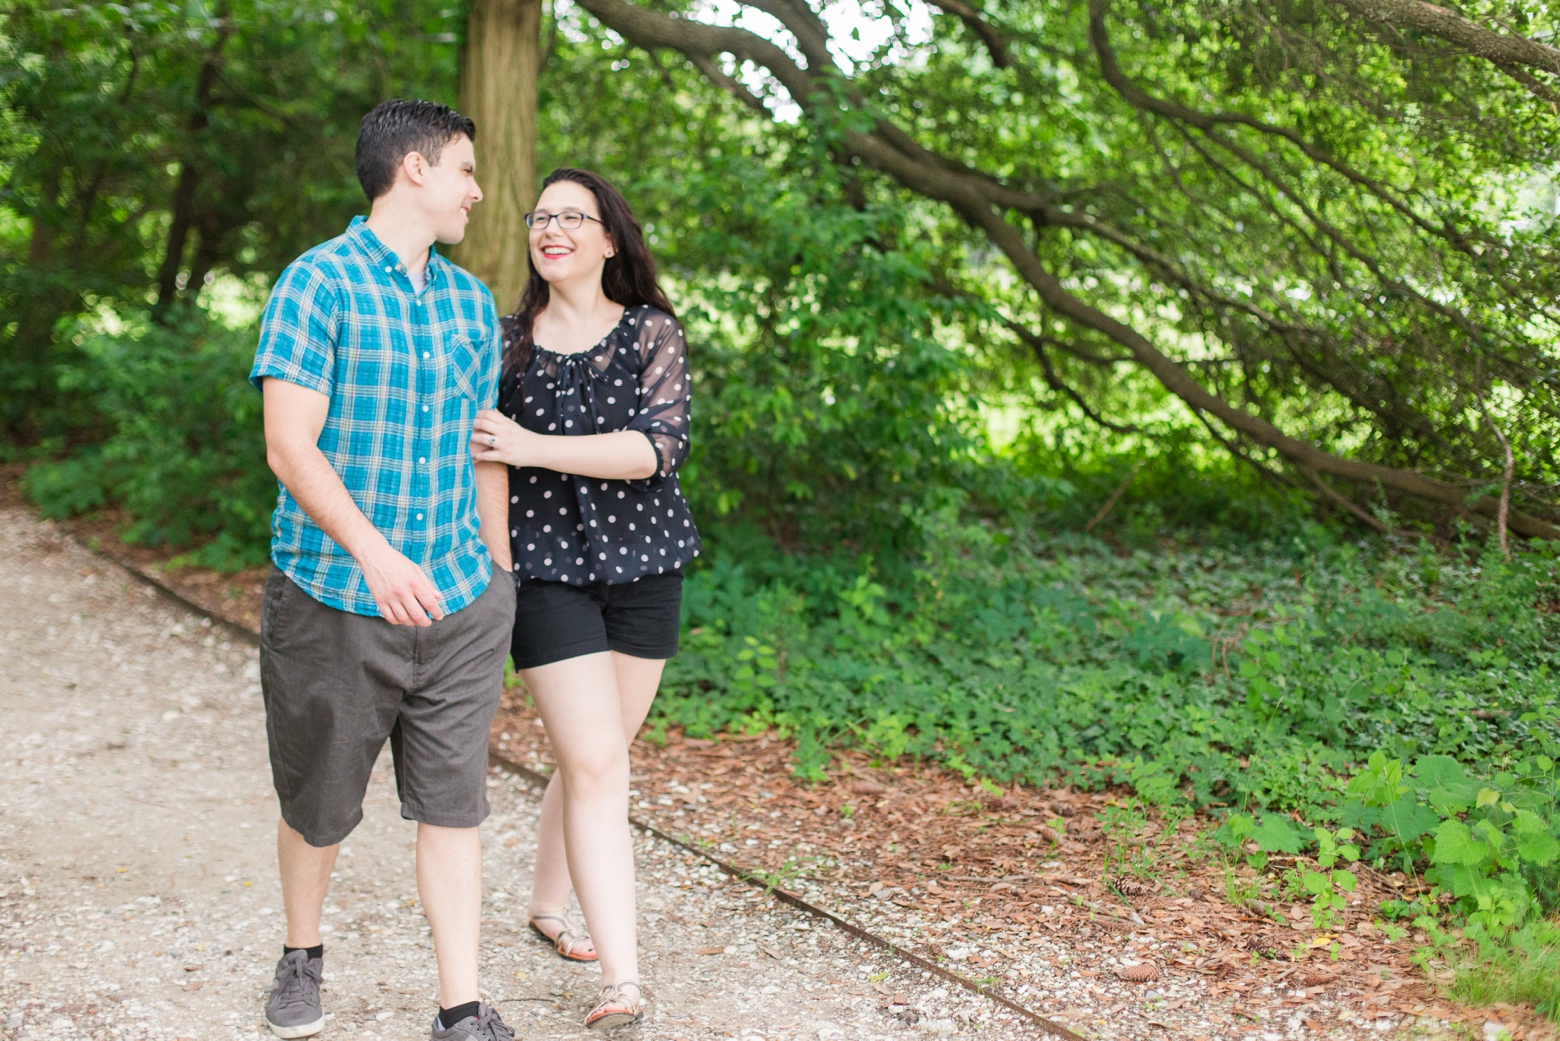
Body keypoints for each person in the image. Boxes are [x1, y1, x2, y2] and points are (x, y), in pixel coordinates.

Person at [250, 99, 519, 1041]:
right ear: (414, 169)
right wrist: (375, 553)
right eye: (465, 171)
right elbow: (291, 446)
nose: (478, 191)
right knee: (320, 803)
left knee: (455, 807)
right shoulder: (315, 284)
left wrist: (498, 572)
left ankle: (460, 1006)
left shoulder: (469, 302)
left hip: (457, 599)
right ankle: (301, 953)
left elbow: (484, 446)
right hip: (332, 597)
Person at [469, 167, 701, 1030]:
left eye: (576, 216)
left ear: (610, 239)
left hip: (646, 572)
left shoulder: (651, 332)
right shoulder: (501, 341)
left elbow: (656, 451)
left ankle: (546, 904)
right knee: (602, 765)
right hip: (546, 576)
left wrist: (535, 442)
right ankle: (624, 979)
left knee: (592, 756)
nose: (553, 227)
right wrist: (498, 562)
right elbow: (485, 453)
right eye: (542, 215)